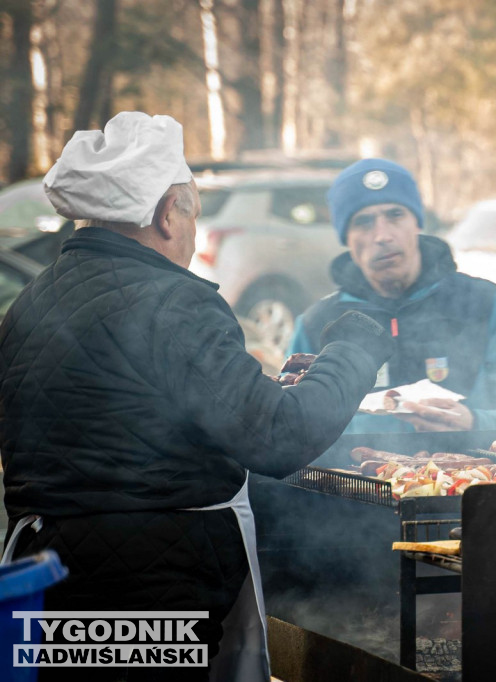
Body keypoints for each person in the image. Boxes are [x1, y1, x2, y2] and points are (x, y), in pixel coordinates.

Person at [0, 112, 393, 681]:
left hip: (47, 582)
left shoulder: (32, 299)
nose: (192, 235)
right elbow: (281, 438)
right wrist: (353, 348)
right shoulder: (172, 302)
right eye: (192, 214)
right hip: (150, 596)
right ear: (166, 213)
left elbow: (117, 413)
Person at [286, 158, 496, 434]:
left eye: (395, 215)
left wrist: (476, 423)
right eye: (364, 222)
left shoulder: (487, 303)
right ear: (346, 238)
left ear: (417, 222)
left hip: (476, 472)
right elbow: (291, 427)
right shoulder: (317, 325)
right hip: (357, 476)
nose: (382, 235)